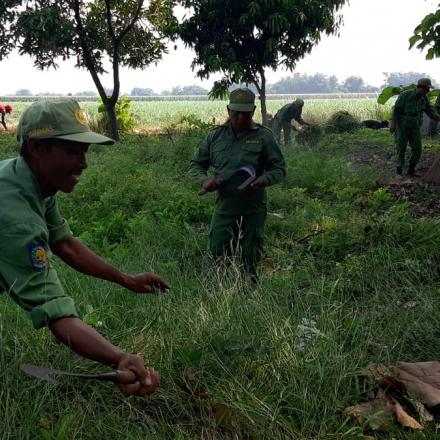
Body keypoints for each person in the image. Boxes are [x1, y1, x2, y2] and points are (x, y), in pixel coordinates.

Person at [0, 98, 170, 396]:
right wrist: (119, 358)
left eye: (85, 151)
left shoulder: (29, 180)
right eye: (72, 151)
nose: (84, 162)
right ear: (37, 147)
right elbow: (55, 311)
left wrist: (125, 279)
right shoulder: (16, 218)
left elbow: (65, 243)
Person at [189, 88, 286, 280]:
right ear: (228, 110)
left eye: (246, 114)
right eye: (236, 113)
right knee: (217, 252)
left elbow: (279, 169)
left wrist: (263, 180)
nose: (240, 118)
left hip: (253, 208)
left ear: (253, 111)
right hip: (225, 207)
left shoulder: (264, 137)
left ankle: (248, 292)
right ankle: (222, 292)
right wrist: (205, 180)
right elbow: (196, 164)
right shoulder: (215, 136)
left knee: (250, 256)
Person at [390, 78, 440, 177]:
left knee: (417, 148)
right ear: (420, 87)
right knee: (401, 146)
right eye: (426, 89)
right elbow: (396, 110)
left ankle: (411, 170)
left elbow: (430, 111)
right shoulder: (406, 94)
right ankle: (399, 171)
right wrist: (393, 123)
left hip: (415, 125)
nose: (428, 91)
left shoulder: (424, 98)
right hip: (403, 124)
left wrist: (438, 118)